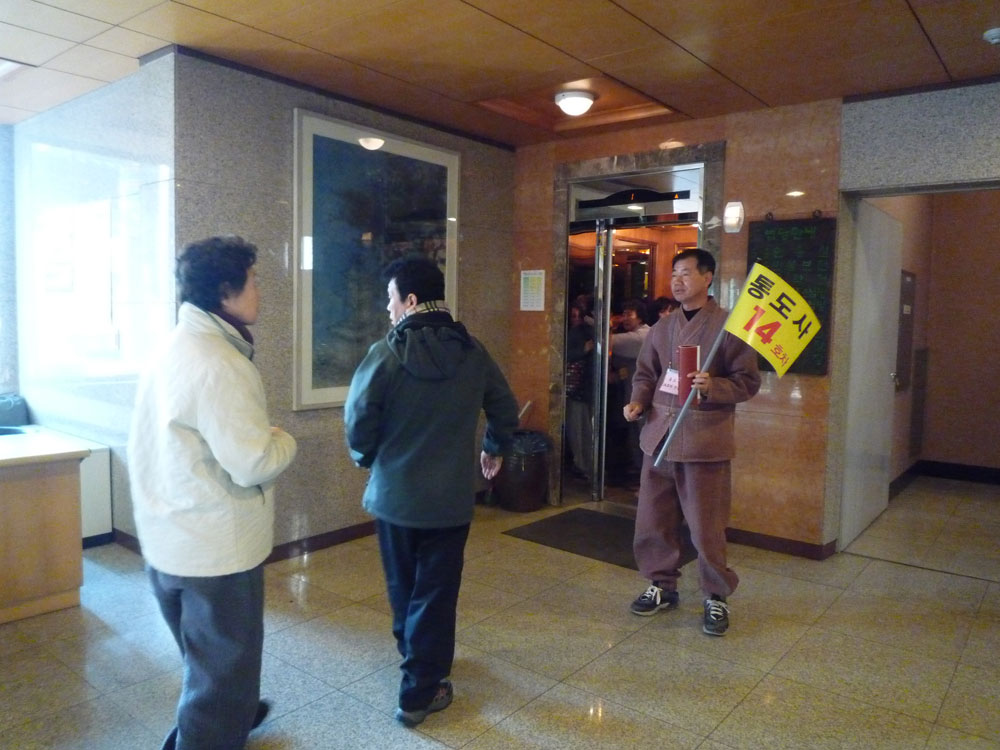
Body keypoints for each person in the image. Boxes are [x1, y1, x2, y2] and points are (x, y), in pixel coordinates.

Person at [128, 236, 298, 749]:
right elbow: (253, 462)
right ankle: (216, 725)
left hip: (169, 541)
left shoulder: (172, 348)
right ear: (226, 292)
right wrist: (283, 438)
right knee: (221, 670)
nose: (260, 289)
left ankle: (232, 712)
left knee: (206, 658)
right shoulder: (220, 362)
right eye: (254, 280)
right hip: (215, 553)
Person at [344, 256, 519, 727]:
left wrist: (366, 456)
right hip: (450, 501)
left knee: (403, 586)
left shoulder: (386, 353)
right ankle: (424, 679)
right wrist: (494, 447)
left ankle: (417, 671)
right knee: (436, 593)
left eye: (390, 299)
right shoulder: (473, 352)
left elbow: (359, 416)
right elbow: (504, 407)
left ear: (411, 300)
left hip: (394, 497)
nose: (388, 309)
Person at [623, 248, 760, 636]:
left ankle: (716, 594)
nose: (677, 281)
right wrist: (638, 401)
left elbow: (748, 382)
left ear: (707, 277)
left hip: (704, 440)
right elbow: (646, 374)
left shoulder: (728, 327)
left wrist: (713, 385)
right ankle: (661, 584)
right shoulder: (662, 327)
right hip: (659, 437)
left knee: (705, 526)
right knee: (653, 519)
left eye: (685, 273)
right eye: (674, 274)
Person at [610, 299, 650, 484]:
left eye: (629, 314)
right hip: (631, 397)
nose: (625, 318)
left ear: (640, 317)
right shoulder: (633, 335)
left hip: (643, 399)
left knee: (643, 436)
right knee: (634, 435)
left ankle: (646, 479)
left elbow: (609, 341)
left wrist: (606, 324)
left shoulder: (642, 336)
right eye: (623, 314)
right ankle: (640, 474)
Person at [565, 303, 594, 479]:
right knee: (582, 430)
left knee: (580, 430)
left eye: (578, 316)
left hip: (578, 388)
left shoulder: (577, 333)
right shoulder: (583, 333)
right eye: (573, 316)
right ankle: (584, 465)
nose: (575, 319)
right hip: (581, 389)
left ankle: (582, 465)